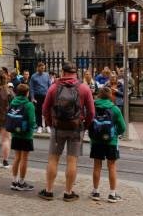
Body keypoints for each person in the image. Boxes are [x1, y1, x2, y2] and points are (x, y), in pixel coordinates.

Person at [38, 62, 95, 202]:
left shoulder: (53, 88)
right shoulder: (84, 88)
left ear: (63, 72)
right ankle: (68, 193)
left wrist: (51, 124)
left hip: (58, 128)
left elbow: (44, 110)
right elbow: (92, 112)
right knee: (72, 161)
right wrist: (85, 126)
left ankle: (49, 191)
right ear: (76, 73)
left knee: (53, 159)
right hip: (76, 129)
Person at [89, 86, 126, 203]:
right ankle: (112, 194)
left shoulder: (93, 106)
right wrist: (115, 133)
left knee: (97, 166)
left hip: (96, 141)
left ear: (99, 95)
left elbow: (88, 121)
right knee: (112, 167)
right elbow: (122, 128)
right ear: (110, 96)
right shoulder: (115, 109)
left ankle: (95, 192)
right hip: (111, 142)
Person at [9, 83, 36, 191]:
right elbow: (32, 121)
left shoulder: (13, 102)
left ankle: (14, 181)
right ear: (27, 93)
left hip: (15, 133)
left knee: (16, 158)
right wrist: (32, 128)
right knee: (24, 158)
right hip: (26, 135)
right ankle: (21, 182)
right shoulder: (29, 105)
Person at [29, 62, 51, 134]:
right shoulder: (33, 76)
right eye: (42, 68)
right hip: (37, 96)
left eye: (44, 68)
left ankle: (47, 126)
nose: (43, 69)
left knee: (47, 111)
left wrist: (50, 96)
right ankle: (40, 126)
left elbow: (50, 85)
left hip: (46, 95)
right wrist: (32, 98)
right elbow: (31, 88)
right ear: (38, 68)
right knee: (38, 112)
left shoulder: (47, 75)